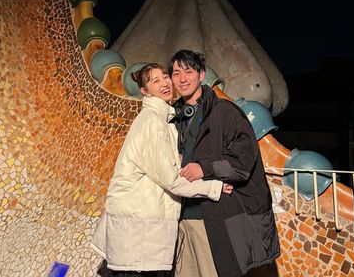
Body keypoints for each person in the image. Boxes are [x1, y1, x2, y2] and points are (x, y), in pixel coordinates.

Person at [91, 63, 232, 277]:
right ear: (145, 91)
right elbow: (171, 180)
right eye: (155, 81)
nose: (165, 83)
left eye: (165, 77)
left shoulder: (161, 120)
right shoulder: (153, 122)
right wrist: (214, 188)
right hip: (137, 234)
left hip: (137, 230)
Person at [169, 49, 280, 277]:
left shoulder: (225, 112)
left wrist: (204, 167)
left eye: (188, 72)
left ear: (201, 75)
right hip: (181, 217)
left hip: (212, 220)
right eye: (176, 73)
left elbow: (243, 162)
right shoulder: (175, 117)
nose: (182, 78)